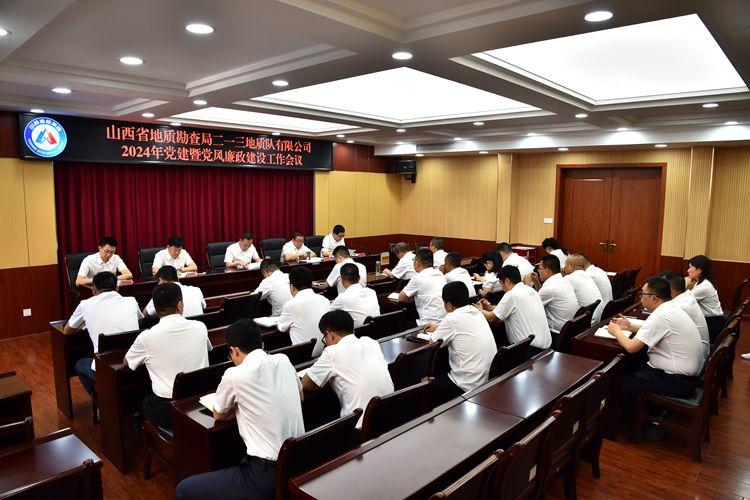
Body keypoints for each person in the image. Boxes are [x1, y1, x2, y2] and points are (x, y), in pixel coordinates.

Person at [174, 319, 304, 500]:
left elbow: (219, 414)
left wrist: (244, 411)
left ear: (234, 351)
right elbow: (300, 396)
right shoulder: (284, 360)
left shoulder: (235, 374)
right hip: (298, 461)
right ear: (262, 345)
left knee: (183, 489)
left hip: (265, 476)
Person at [606, 277, 702, 428]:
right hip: (683, 376)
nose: (640, 298)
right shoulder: (670, 308)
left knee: (623, 383)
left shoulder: (661, 315)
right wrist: (629, 326)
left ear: (654, 298)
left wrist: (616, 331)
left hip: (677, 381)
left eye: (642, 294)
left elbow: (631, 347)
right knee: (633, 365)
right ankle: (650, 411)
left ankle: (639, 425)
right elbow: (655, 330)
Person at [124, 283, 211, 430]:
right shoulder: (200, 326)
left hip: (168, 407)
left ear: (156, 309)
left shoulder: (147, 337)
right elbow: (209, 348)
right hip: (200, 399)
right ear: (180, 305)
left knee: (140, 398)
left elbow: (127, 362)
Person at [302, 310, 393, 428]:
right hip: (389, 416)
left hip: (360, 427)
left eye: (325, 338)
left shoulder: (332, 352)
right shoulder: (371, 342)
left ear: (330, 335)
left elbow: (305, 384)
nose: (326, 342)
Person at [64, 271, 142, 396]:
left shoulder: (85, 304)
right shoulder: (131, 301)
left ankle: (100, 401)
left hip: (105, 369)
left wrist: (86, 324)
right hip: (135, 364)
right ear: (117, 288)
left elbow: (67, 330)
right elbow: (140, 320)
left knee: (80, 364)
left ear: (93, 289)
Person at [423, 282, 497, 403]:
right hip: (487, 379)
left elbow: (432, 344)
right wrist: (440, 326)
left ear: (448, 305)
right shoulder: (476, 312)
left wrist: (441, 327)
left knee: (428, 382)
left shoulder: (452, 318)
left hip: (466, 385)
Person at [477, 265, 552, 354]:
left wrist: (479, 310)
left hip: (530, 349)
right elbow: (514, 308)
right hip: (546, 346)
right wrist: (490, 307)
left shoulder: (511, 294)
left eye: (501, 284)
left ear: (507, 281)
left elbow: (492, 318)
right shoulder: (530, 290)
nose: (502, 288)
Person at [660, 271, 710, 367]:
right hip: (697, 353)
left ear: (669, 289)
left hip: (691, 362)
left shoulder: (678, 306)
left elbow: (657, 330)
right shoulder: (687, 296)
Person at [277, 267, 330, 357]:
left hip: (302, 357)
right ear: (311, 283)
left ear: (292, 286)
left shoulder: (290, 305)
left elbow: (281, 328)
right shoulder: (325, 300)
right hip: (324, 353)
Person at [530, 254, 579, 340]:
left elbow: (529, 307)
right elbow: (543, 296)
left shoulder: (550, 288)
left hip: (556, 336)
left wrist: (526, 284)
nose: (538, 272)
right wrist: (537, 283)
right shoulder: (562, 280)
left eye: (539, 269)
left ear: (546, 270)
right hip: (569, 332)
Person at [399, 248, 447, 326]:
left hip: (428, 324)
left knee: (399, 325)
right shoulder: (440, 274)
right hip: (444, 321)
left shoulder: (418, 278)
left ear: (417, 262)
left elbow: (401, 298)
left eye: (414, 260)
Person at [685, 255, 725, 342]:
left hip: (712, 325)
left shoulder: (703, 287)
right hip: (712, 321)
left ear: (699, 270)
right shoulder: (701, 282)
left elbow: (682, 301)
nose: (688, 270)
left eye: (690, 267)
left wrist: (685, 286)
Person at [330, 263, 380, 328]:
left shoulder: (343, 297)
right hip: (377, 330)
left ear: (342, 280)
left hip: (359, 333)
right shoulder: (372, 292)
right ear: (359, 278)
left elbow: (328, 314)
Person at [563, 254, 604, 324]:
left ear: (571, 266)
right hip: (598, 318)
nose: (563, 268)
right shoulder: (587, 275)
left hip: (587, 322)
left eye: (565, 265)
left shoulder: (569, 278)